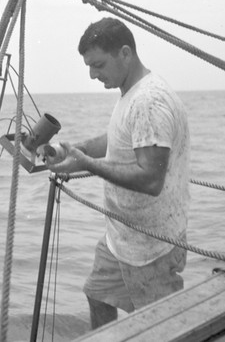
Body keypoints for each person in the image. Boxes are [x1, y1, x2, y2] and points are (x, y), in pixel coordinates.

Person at [45, 17, 190, 331]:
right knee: (98, 294)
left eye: (98, 65)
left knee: (162, 329)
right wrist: (76, 150)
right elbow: (121, 139)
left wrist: (86, 164)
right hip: (121, 237)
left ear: (125, 53)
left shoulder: (148, 101)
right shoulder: (131, 92)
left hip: (151, 246)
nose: (93, 75)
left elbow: (151, 179)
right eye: (89, 67)